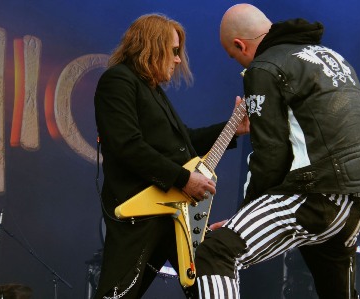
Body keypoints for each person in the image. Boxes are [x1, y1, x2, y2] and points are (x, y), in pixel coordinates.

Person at [194, 4, 360, 299]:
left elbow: (270, 155)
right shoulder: (331, 56)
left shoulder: (263, 67)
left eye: (234, 56)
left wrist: (245, 216)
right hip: (357, 198)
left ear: (239, 45)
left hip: (315, 196)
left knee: (216, 252)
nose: (239, 64)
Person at [93, 13, 249, 299]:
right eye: (174, 51)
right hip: (140, 209)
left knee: (206, 282)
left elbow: (183, 141)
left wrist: (232, 129)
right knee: (118, 292)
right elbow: (127, 145)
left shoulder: (152, 89)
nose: (178, 60)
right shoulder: (117, 80)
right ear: (153, 46)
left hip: (171, 209)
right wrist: (183, 179)